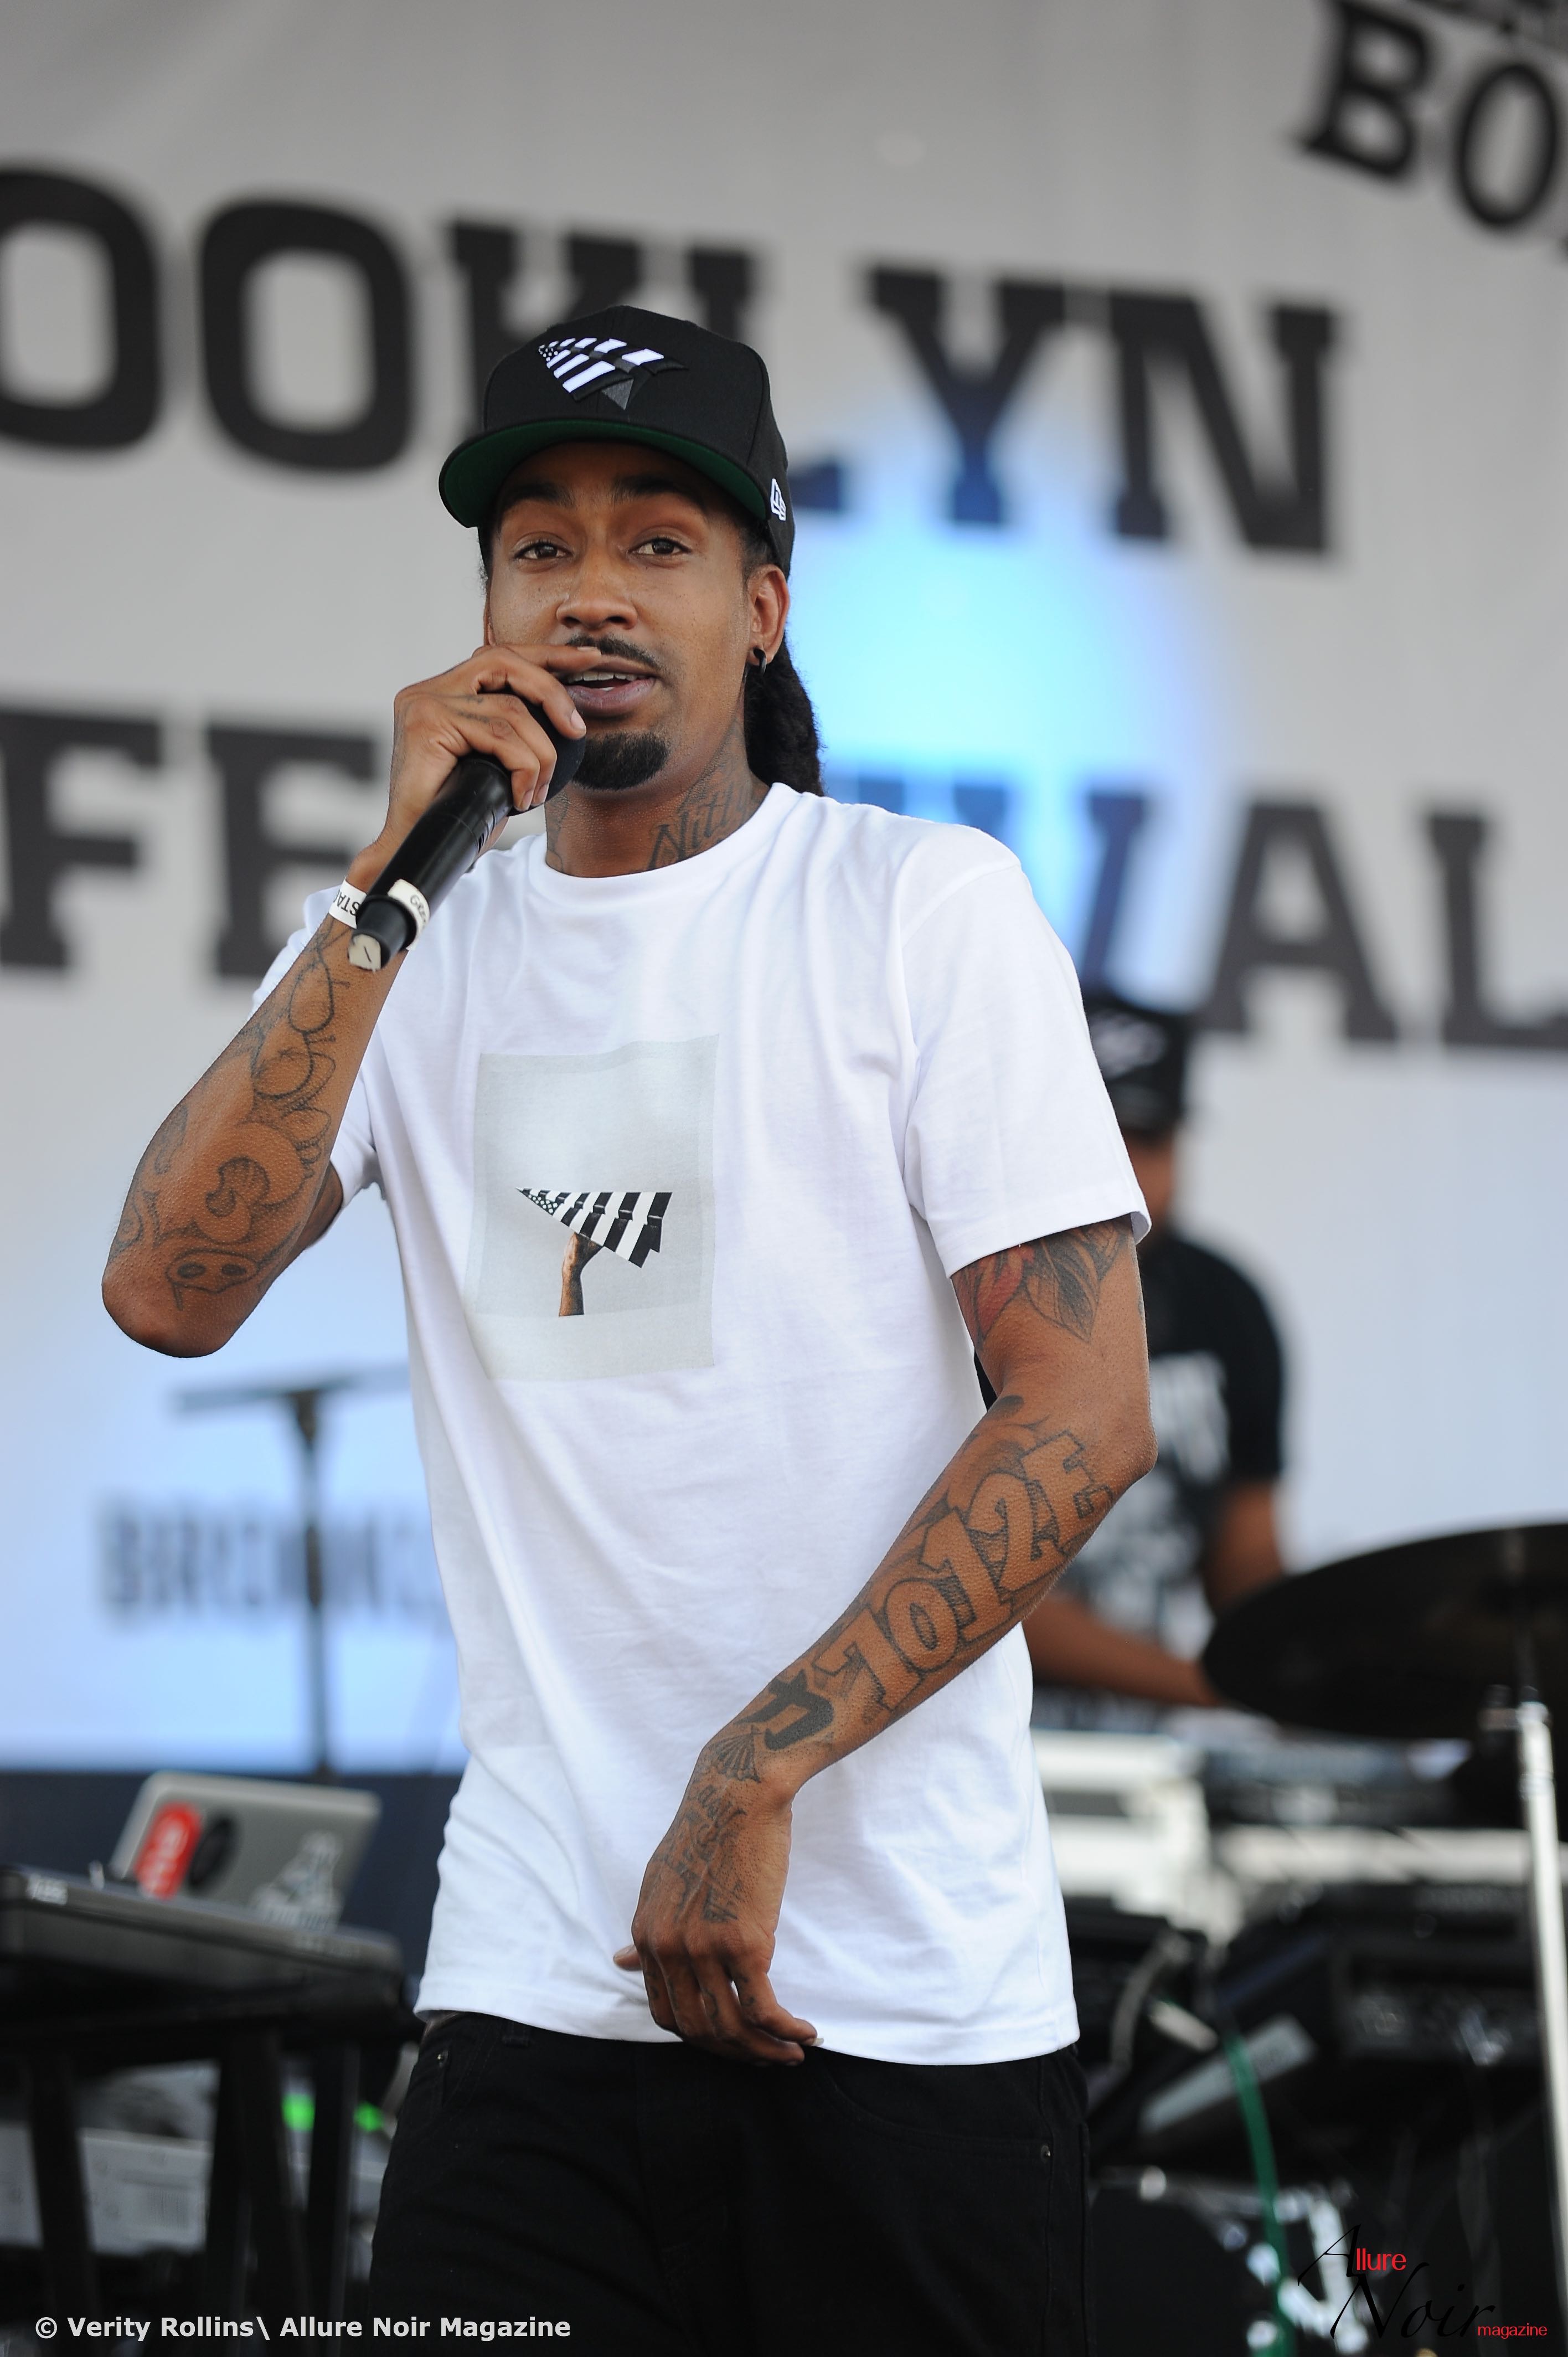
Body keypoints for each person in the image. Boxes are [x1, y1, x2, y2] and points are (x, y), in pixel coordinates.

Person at [103, 307, 1154, 2351]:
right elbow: (167, 1292)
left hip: (902, 2015)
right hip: (531, 1994)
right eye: (541, 547)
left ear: (763, 606)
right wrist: (387, 883)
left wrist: (758, 1767)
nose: (590, 590)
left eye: (657, 541)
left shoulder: (916, 908)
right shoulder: (410, 955)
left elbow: (1083, 1409)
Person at [1023, 992, 1286, 1723]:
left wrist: (1303, 1659)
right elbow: (951, 1588)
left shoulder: (1226, 1304)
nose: (1122, 1172)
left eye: (1146, 1139)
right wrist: (1210, 1688)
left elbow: (1247, 1553)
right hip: (999, 1752)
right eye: (1098, 1136)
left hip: (1158, 1751)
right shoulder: (970, 1304)